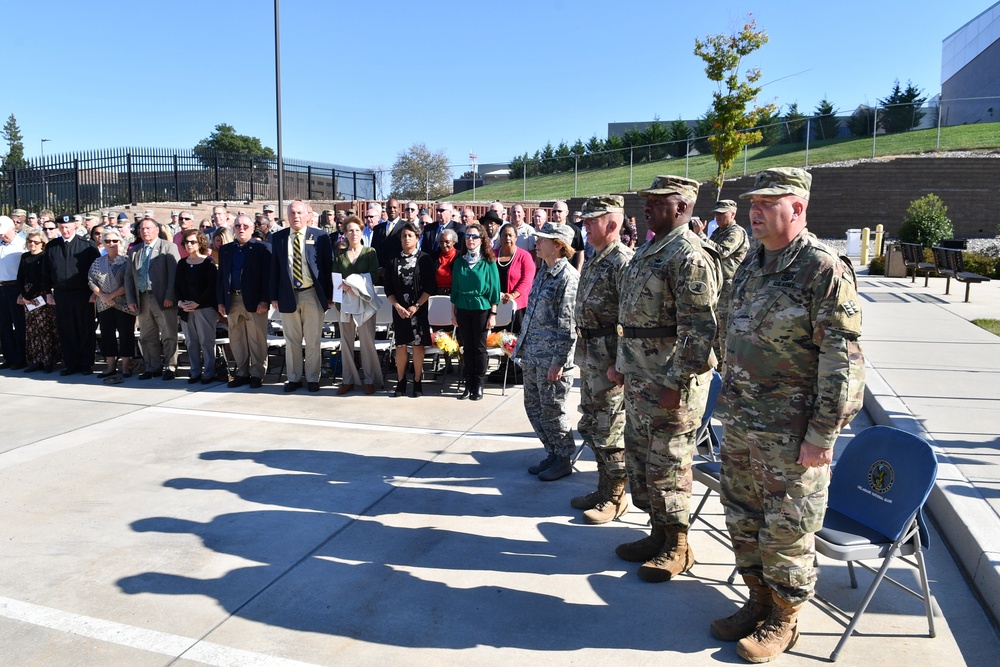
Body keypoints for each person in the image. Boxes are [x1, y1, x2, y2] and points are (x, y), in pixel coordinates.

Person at [711, 168, 865, 662]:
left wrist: (822, 433)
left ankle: (785, 617)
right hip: (741, 422)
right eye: (751, 203)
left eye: (767, 202)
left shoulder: (822, 269)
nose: (754, 211)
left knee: (787, 528)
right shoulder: (752, 263)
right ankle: (757, 600)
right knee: (743, 518)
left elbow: (842, 361)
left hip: (792, 433)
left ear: (796, 207)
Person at [610, 175, 720, 583]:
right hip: (641, 376)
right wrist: (622, 364)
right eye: (648, 201)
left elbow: (700, 329)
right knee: (641, 458)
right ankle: (657, 533)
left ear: (683, 206)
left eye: (658, 201)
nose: (648, 207)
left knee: (669, 464)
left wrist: (676, 381)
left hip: (672, 380)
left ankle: (678, 544)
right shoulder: (651, 248)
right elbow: (635, 319)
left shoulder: (690, 255)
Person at [571, 195, 634, 524]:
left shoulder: (622, 261)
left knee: (611, 430)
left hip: (609, 362)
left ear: (612, 224)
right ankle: (603, 485)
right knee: (592, 425)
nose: (585, 225)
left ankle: (616, 496)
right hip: (590, 357)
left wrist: (620, 363)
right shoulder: (596, 258)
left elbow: (631, 318)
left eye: (591, 221)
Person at [514, 222, 579, 481]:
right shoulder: (544, 271)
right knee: (534, 406)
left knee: (553, 409)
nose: (537, 242)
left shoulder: (568, 278)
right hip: (533, 354)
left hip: (552, 359)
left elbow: (568, 325)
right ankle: (551, 452)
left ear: (559, 246)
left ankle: (563, 458)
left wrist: (559, 362)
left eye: (543, 239)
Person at [269, 200, 334, 393]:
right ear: (287, 216)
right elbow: (275, 269)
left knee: (313, 340)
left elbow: (327, 266)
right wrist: (274, 296)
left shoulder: (320, 236)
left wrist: (329, 296)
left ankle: (313, 378)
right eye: (292, 213)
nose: (295, 216)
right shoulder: (279, 237)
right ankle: (294, 378)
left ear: (308, 215)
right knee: (292, 340)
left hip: (312, 293)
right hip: (287, 295)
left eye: (299, 213)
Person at [217, 214, 271, 389]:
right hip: (232, 298)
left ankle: (257, 374)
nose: (241, 229)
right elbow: (221, 277)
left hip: (254, 301)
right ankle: (242, 372)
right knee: (236, 338)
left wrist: (264, 300)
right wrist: (221, 301)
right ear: (233, 228)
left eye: (245, 226)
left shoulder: (262, 248)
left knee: (257, 338)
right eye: (238, 226)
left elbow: (266, 278)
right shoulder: (226, 250)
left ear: (252, 228)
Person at [44, 214, 101, 375]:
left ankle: (86, 364)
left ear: (75, 226)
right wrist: (48, 293)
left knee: (84, 328)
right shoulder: (52, 246)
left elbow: (96, 270)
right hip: (62, 295)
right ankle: (70, 364)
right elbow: (46, 273)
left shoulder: (87, 245)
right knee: (66, 329)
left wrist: (94, 293)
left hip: (84, 293)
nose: (65, 230)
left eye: (68, 227)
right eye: (61, 227)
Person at [384, 220, 435, 398]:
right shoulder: (393, 260)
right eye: (404, 236)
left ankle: (418, 381)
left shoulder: (425, 259)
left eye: (410, 236)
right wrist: (397, 306)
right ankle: (400, 381)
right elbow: (388, 289)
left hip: (418, 310)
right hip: (400, 311)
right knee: (400, 345)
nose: (406, 238)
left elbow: (430, 287)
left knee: (418, 346)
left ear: (417, 238)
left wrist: (416, 306)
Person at [125, 217, 181, 381]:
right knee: (147, 336)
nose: (145, 231)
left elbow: (174, 274)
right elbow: (129, 277)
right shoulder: (134, 251)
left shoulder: (168, 247)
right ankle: (152, 366)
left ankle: (170, 366)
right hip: (142, 298)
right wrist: (130, 299)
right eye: (142, 229)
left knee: (168, 334)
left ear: (157, 230)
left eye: (148, 228)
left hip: (163, 298)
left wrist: (170, 295)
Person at [450, 221, 501, 401]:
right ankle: (468, 384)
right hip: (463, 307)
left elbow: (494, 290)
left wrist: (493, 314)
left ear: (481, 239)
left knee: (479, 349)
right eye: (468, 236)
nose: (470, 240)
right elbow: (454, 288)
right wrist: (453, 312)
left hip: (481, 308)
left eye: (474, 236)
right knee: (467, 348)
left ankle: (479, 385)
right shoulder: (459, 262)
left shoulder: (488, 262)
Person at [334, 216, 382, 395]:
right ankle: (348, 380)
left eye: (357, 230)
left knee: (367, 342)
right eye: (350, 230)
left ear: (362, 232)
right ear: (345, 233)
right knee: (345, 343)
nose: (353, 233)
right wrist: (344, 287)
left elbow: (374, 275)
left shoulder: (370, 252)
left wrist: (354, 284)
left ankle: (369, 380)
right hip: (345, 303)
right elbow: (336, 277)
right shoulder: (340, 256)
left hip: (365, 303)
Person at [486, 222, 535, 385]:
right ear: (499, 238)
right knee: (498, 336)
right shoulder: (492, 255)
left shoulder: (524, 256)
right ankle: (504, 366)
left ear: (516, 237)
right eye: (504, 235)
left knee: (514, 337)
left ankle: (516, 368)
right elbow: (487, 277)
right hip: (495, 304)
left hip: (517, 305)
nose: (507, 238)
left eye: (510, 235)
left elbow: (527, 280)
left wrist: (512, 295)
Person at [87, 226, 136, 381]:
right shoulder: (97, 262)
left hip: (123, 304)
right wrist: (102, 295)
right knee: (107, 334)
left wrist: (111, 295)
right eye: (107, 241)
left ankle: (126, 365)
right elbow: (91, 280)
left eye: (115, 241)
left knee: (125, 333)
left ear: (120, 242)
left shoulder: (127, 261)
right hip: (104, 304)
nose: (111, 243)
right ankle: (110, 366)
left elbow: (129, 282)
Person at [705, 199, 749, 363]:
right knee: (714, 327)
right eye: (716, 214)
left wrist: (701, 235)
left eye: (722, 214)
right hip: (717, 285)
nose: (718, 217)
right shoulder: (718, 232)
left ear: (733, 214)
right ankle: (717, 366)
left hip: (729, 287)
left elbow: (722, 251)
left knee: (724, 328)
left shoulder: (735, 232)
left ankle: (725, 366)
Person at [175, 229, 219, 384]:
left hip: (204, 308)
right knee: (191, 342)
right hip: (186, 309)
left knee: (206, 341)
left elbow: (211, 287)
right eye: (186, 242)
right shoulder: (182, 263)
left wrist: (198, 303)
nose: (189, 245)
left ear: (200, 243)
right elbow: (177, 286)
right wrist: (180, 302)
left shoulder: (208, 262)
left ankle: (209, 372)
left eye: (193, 241)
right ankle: (194, 371)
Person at [16, 229, 60, 373]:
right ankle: (35, 360)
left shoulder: (44, 256)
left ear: (42, 243)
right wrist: (24, 295)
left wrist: (29, 295)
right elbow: (20, 277)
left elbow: (42, 278)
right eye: (30, 241)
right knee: (31, 329)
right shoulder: (25, 257)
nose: (33, 244)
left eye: (36, 242)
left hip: (40, 295)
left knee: (44, 328)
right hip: (27, 297)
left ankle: (48, 361)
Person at [0, 216, 27, 369]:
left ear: (13, 228)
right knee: (3, 325)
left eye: (4, 232)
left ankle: (21, 357)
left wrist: (23, 292)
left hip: (15, 287)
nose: (2, 235)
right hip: (1, 287)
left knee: (19, 323)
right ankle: (9, 357)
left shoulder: (22, 245)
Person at [433, 229, 458, 296]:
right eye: (441, 242)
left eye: (447, 242)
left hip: (455, 294)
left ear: (454, 242)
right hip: (436, 294)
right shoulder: (434, 256)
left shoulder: (460, 257)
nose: (444, 245)